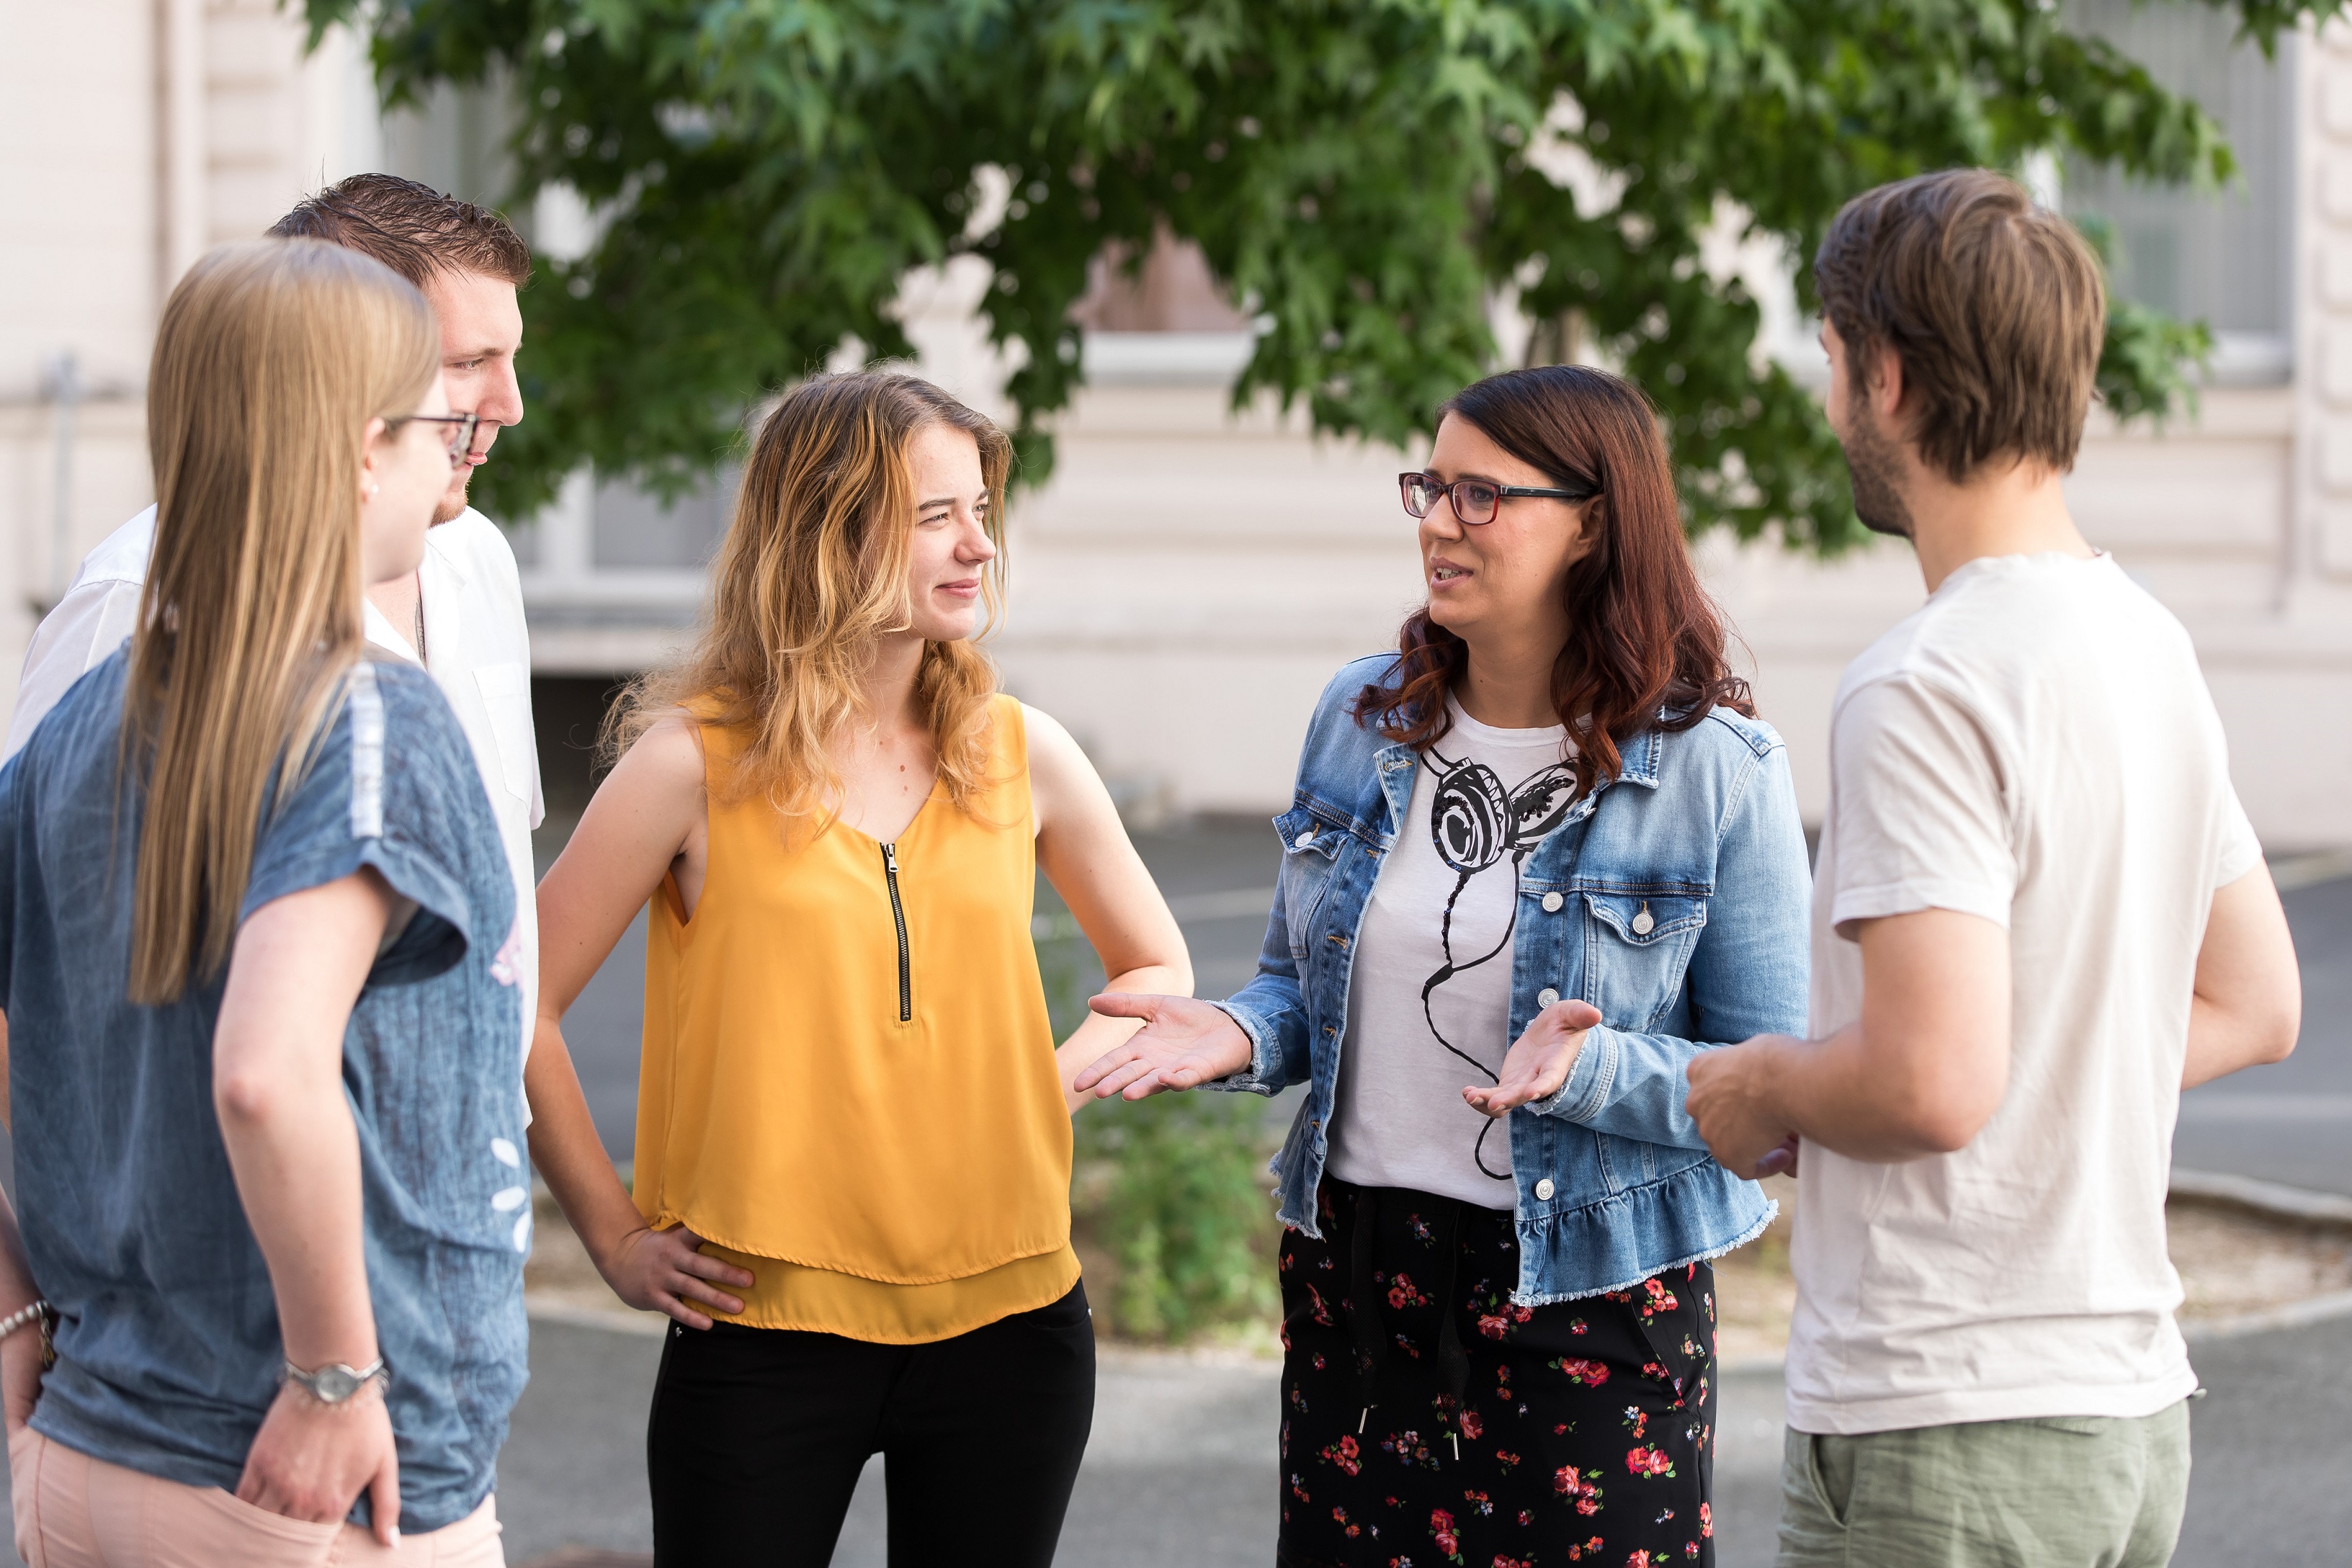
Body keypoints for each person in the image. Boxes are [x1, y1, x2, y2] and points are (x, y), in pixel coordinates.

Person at [1076, 365, 1813, 1567]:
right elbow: (1296, 985)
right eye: (1430, 486)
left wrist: (1593, 1071)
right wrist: (1245, 1033)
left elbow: (1768, 1089)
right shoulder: (1362, 715)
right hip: (1360, 1278)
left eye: (1481, 495)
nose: (1435, 521)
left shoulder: (1714, 769)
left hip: (1586, 1291)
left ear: (1592, 523)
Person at [1683, 169, 2303, 1568]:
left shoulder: (1925, 682)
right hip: (2126, 1417)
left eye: (1832, 359)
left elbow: (1929, 1085)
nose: (1827, 394)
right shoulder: (2150, 644)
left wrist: (1764, 1084)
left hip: (1944, 1427)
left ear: (1886, 379)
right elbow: (2257, 1004)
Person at [521, 369, 1191, 1566]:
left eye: (983, 510)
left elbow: (1152, 969)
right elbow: (514, 1002)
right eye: (937, 515)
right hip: (761, 1332)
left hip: (1014, 1326)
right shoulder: (690, 767)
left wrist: (1039, 1082)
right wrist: (611, 1236)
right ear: (825, 528)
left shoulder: (1021, 752)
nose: (977, 545)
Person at [0, 238, 530, 1563]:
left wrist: (13, 1310)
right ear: (361, 448)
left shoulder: (83, 721)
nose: (450, 450)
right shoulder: (364, 717)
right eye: (428, 425)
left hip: (91, 1455)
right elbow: (264, 1074)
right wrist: (333, 1377)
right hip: (306, 1486)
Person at [4, 173, 546, 1081]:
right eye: (463, 364)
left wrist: (597, 1219)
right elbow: (34, 967)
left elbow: (505, 937)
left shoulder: (478, 558)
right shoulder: (134, 601)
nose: (510, 404)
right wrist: (75, 1220)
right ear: (334, 359)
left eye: (511, 357)